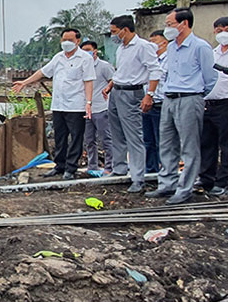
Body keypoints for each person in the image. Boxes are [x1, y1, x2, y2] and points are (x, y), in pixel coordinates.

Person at [146, 8, 217, 204]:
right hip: (169, 98)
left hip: (189, 98)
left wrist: (198, 96)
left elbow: (210, 77)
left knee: (189, 146)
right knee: (167, 144)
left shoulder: (200, 47)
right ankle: (167, 184)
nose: (167, 28)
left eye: (170, 24)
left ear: (183, 23)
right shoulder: (171, 48)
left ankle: (185, 188)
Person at [13, 28, 94, 180]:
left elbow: (88, 81)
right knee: (60, 136)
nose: (66, 43)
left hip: (76, 105)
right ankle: (60, 165)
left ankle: (71, 168)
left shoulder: (85, 59)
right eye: (64, 40)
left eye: (70, 40)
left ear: (77, 41)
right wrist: (24, 82)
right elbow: (42, 72)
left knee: (76, 137)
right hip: (58, 104)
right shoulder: (58, 57)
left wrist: (88, 102)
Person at [102, 15, 162, 193]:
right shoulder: (121, 48)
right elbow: (121, 71)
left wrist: (149, 95)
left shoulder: (143, 47)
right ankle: (119, 169)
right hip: (117, 91)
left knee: (134, 136)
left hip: (132, 93)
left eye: (114, 31)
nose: (113, 35)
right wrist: (110, 85)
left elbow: (154, 70)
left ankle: (138, 177)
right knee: (117, 133)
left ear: (125, 30)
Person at [198, 16, 228, 196]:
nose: (222, 33)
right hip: (208, 103)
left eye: (226, 29)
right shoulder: (212, 52)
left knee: (226, 145)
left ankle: (223, 181)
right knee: (207, 143)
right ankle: (206, 179)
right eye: (218, 30)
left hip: (226, 103)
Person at [80, 41, 114, 174]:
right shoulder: (82, 66)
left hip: (101, 107)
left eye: (88, 50)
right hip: (87, 109)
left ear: (95, 51)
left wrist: (107, 89)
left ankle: (109, 166)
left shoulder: (104, 66)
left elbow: (114, 79)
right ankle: (92, 165)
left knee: (106, 139)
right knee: (89, 140)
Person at [142, 30, 168, 173]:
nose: (151, 45)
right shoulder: (149, 60)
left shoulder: (169, 60)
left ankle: (164, 170)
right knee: (148, 140)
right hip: (146, 104)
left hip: (161, 103)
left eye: (154, 42)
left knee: (161, 141)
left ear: (164, 42)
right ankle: (150, 170)